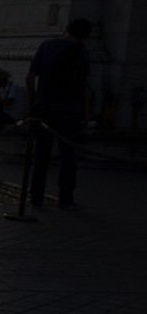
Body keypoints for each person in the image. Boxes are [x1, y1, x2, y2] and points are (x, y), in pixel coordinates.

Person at [27, 17, 92, 210]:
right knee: (68, 158)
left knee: (41, 156)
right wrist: (86, 112)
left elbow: (30, 77)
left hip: (44, 108)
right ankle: (66, 198)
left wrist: (33, 104)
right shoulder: (82, 50)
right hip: (70, 111)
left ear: (66, 28)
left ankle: (36, 196)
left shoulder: (46, 46)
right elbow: (86, 85)